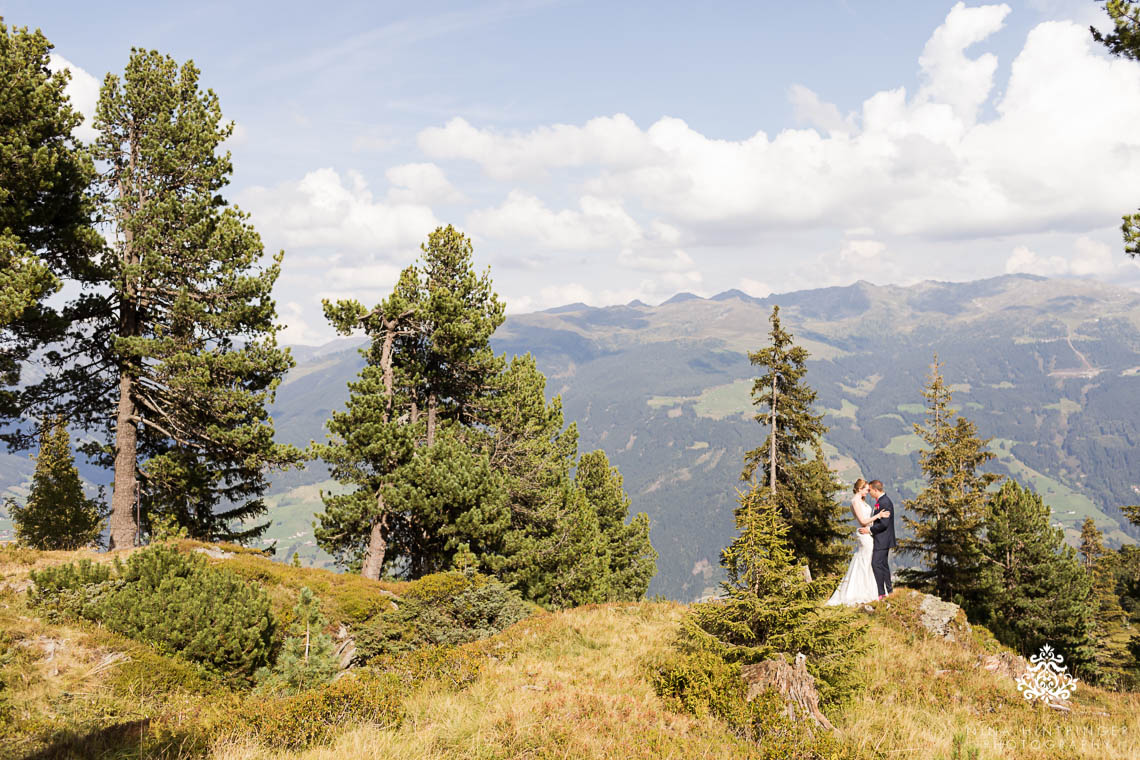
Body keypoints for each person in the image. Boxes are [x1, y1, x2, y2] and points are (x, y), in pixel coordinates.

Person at [825, 478, 889, 606]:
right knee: (867, 559)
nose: (868, 492)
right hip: (863, 534)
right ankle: (862, 591)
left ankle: (872, 590)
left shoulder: (861, 501)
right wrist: (878, 516)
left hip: (867, 533)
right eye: (866, 490)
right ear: (860, 489)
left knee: (868, 559)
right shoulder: (855, 501)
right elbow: (862, 521)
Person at [859, 479, 896, 599]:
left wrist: (869, 530)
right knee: (883, 565)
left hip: (883, 539)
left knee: (876, 564)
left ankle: (882, 593)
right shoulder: (881, 501)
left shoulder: (885, 502)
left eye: (870, 490)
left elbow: (884, 524)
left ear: (875, 490)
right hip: (882, 538)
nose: (869, 492)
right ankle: (889, 591)